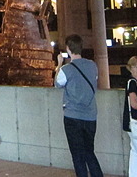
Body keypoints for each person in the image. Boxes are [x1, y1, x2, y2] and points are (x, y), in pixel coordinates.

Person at [54, 34, 103, 177]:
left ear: (68, 49)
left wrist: (59, 65)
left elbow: (57, 83)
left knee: (77, 155)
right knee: (89, 152)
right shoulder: (92, 65)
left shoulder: (66, 70)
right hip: (90, 116)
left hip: (73, 116)